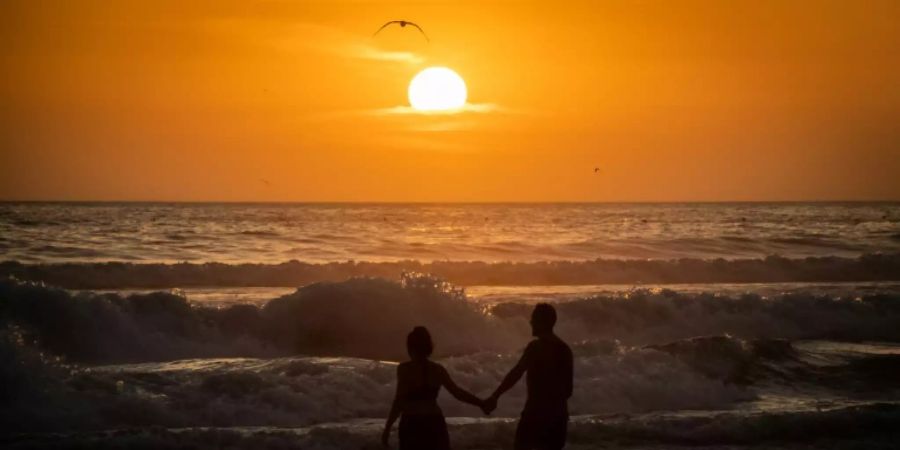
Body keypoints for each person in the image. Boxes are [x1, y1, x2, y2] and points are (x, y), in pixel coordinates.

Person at [483, 303, 573, 450]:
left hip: (535, 415)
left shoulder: (536, 348)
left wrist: (495, 396)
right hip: (558, 417)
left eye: (534, 318)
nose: (530, 322)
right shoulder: (565, 349)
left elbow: (516, 373)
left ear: (541, 322)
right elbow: (568, 390)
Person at [382, 326, 485, 449]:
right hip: (434, 422)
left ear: (410, 347)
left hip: (412, 424)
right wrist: (481, 403)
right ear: (428, 347)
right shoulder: (438, 370)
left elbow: (399, 401)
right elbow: (457, 393)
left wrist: (387, 428)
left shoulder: (405, 369)